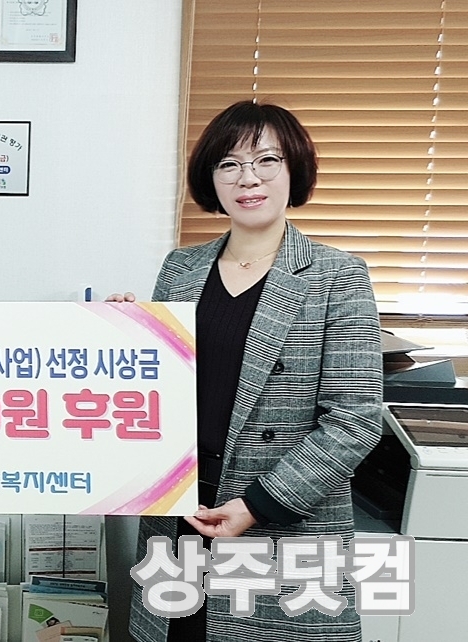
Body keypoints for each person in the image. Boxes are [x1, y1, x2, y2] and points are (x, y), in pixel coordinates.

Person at [111, 101, 382, 641]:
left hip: (281, 518)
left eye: (266, 160)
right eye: (229, 164)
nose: (248, 178)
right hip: (179, 511)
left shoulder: (338, 275)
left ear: (294, 169)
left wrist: (257, 506)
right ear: (211, 179)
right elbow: (159, 392)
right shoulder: (181, 268)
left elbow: (355, 419)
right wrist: (120, 337)